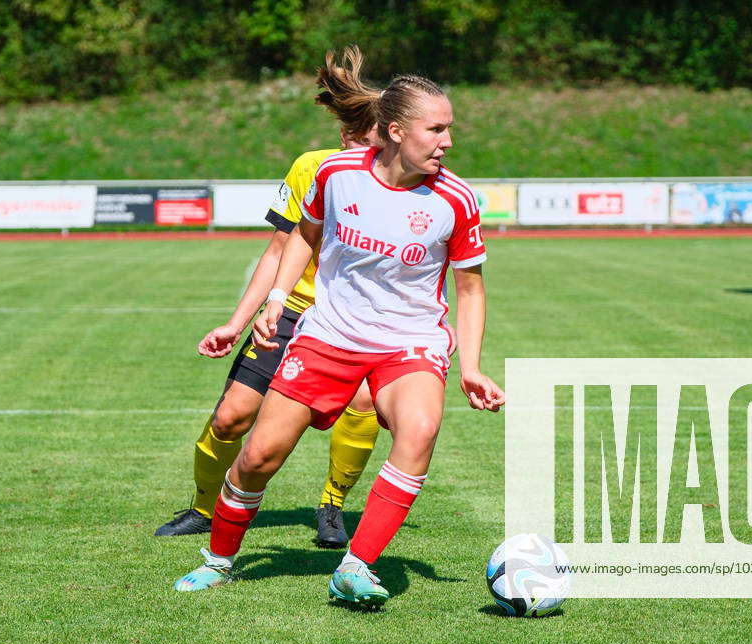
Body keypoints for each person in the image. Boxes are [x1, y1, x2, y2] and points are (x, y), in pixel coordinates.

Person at [173, 55, 505, 609]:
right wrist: (277, 299)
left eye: (450, 129)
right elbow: (303, 234)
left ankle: (355, 567)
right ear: (396, 131)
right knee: (258, 457)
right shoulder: (336, 174)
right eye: (437, 128)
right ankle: (219, 561)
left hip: (409, 343)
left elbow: (469, 288)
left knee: (419, 429)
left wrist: (470, 367)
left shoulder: (457, 199)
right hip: (327, 336)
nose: (448, 141)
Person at [154, 47, 385, 549]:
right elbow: (279, 248)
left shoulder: (399, 184)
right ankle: (202, 508)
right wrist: (237, 320)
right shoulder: (311, 168)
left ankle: (333, 505)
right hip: (294, 311)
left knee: (362, 403)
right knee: (231, 416)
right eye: (358, 137)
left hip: (355, 321)